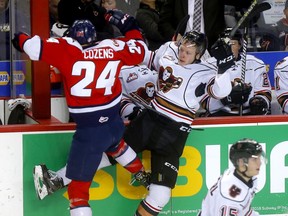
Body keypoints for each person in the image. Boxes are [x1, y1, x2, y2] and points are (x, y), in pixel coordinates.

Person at [12, 11, 151, 215]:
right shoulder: (112, 47)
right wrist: (128, 24)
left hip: (90, 132)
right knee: (116, 145)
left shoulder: (67, 50)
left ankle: (57, 181)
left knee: (78, 192)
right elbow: (140, 48)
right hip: (113, 123)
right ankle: (141, 174)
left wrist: (18, 37)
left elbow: (29, 46)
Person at [124, 30, 234, 215]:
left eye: (189, 52)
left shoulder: (205, 71)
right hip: (149, 122)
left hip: (174, 134)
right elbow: (145, 57)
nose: (183, 54)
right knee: (109, 155)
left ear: (198, 55)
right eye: (182, 49)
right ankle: (60, 179)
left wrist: (223, 68)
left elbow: (221, 91)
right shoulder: (167, 53)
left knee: (161, 196)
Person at [204, 28, 272, 116]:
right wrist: (226, 100)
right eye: (225, 44)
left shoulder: (255, 63)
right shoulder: (209, 65)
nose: (228, 48)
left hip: (249, 113)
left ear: (240, 45)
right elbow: (204, 100)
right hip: (220, 114)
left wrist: (258, 102)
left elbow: (264, 92)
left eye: (232, 44)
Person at [198, 138, 267, 216]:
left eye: (259, 158)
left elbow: (244, 210)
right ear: (241, 162)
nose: (260, 163)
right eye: (255, 159)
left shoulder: (240, 175)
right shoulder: (230, 199)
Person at [157, 0, 253, 52]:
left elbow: (243, 2)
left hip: (212, 48)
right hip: (182, 49)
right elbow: (163, 22)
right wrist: (175, 36)